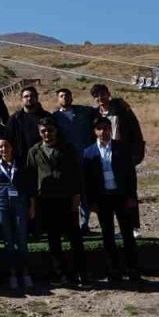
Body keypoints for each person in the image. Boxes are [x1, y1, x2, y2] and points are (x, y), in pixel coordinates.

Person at [82, 118, 142, 283]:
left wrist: (131, 197)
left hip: (121, 196)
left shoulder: (121, 148)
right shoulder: (88, 152)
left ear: (110, 130)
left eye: (106, 128)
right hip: (103, 198)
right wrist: (91, 202)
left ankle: (133, 268)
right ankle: (113, 269)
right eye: (100, 129)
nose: (103, 132)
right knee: (107, 235)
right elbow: (87, 180)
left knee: (127, 234)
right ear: (95, 131)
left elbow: (131, 175)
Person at [28, 118, 86, 286]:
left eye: (50, 130)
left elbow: (76, 174)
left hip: (67, 198)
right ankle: (61, 274)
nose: (47, 134)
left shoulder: (68, 149)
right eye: (43, 131)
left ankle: (81, 272)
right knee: (53, 240)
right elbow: (31, 178)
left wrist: (77, 197)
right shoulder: (34, 151)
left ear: (56, 131)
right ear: (40, 133)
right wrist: (32, 202)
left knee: (75, 238)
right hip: (46, 200)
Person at [91, 83, 146, 238]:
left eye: (103, 94)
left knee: (128, 190)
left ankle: (134, 227)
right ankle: (118, 228)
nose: (100, 98)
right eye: (97, 96)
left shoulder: (122, 110)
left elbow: (136, 131)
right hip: (104, 157)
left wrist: (137, 153)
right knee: (110, 193)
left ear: (108, 94)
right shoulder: (96, 115)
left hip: (123, 155)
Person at [0, 138, 35, 291]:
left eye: (6, 146)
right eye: (0, 147)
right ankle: (13, 274)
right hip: (1, 202)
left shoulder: (20, 165)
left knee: (21, 238)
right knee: (8, 240)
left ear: (12, 147)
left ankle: (25, 272)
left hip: (19, 201)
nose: (3, 149)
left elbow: (30, 187)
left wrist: (32, 206)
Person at [53, 88, 98, 232]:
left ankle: (84, 225)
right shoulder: (55, 117)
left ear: (72, 97)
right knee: (70, 194)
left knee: (85, 193)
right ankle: (70, 225)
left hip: (85, 159)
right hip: (66, 161)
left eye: (67, 95)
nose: (64, 98)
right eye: (61, 96)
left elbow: (100, 111)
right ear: (58, 99)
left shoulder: (84, 112)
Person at [6, 86, 51, 167]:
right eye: (26, 96)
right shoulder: (15, 119)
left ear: (37, 98)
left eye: (32, 96)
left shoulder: (47, 117)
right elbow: (9, 140)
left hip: (44, 160)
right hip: (21, 161)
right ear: (22, 99)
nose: (29, 98)